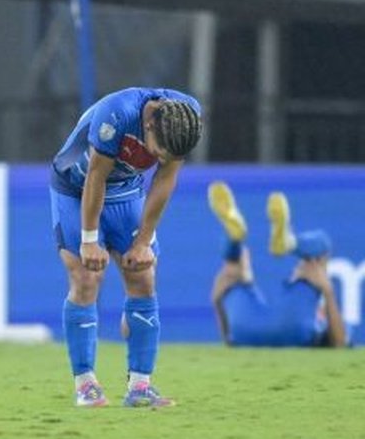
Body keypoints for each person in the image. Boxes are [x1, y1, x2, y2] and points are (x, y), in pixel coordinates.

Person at [51, 87, 202, 408]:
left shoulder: (184, 117)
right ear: (148, 126)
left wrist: (143, 241)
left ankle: (140, 387)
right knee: (86, 278)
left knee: (143, 278)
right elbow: (96, 177)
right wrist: (89, 241)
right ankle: (86, 384)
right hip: (76, 190)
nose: (161, 161)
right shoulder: (116, 114)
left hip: (126, 193)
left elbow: (165, 179)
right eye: (159, 152)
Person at [207, 182, 348, 348]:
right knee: (322, 247)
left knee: (233, 268)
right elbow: (340, 343)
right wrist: (327, 290)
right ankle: (288, 242)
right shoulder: (311, 293)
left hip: (246, 330)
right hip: (292, 328)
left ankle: (234, 237)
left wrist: (218, 302)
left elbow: (229, 341)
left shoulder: (316, 307)